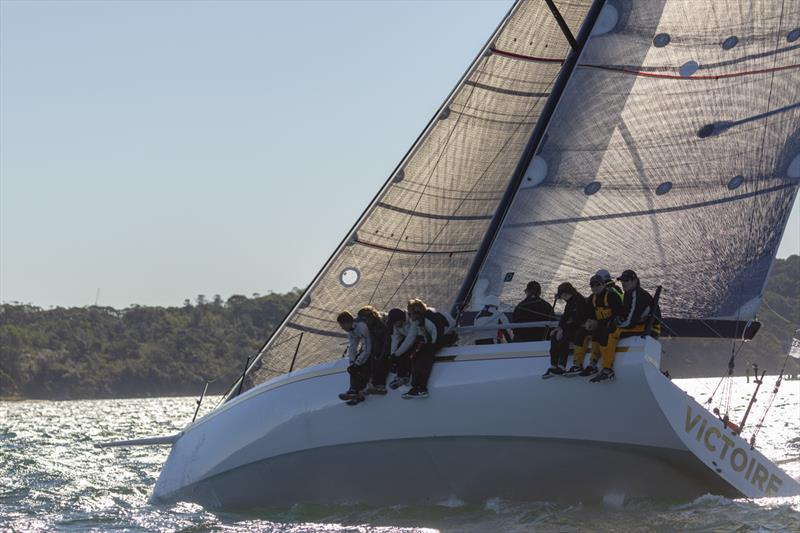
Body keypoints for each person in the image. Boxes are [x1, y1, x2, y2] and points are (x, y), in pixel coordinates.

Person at [402, 298, 454, 399]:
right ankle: (415, 386)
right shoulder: (419, 320)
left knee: (425, 358)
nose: (409, 316)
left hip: (445, 337)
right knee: (415, 356)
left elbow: (437, 337)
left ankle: (422, 388)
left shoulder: (430, 320)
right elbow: (423, 335)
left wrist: (428, 348)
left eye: (409, 313)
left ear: (416, 313)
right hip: (434, 338)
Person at [578, 273, 625, 382]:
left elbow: (619, 313)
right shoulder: (592, 299)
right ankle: (592, 364)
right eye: (592, 285)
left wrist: (600, 323)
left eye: (597, 285)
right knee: (593, 333)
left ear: (603, 285)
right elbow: (588, 313)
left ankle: (608, 368)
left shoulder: (612, 296)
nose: (594, 288)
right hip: (600, 325)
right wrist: (588, 322)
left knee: (603, 333)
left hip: (614, 325)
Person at [546, 282, 593, 378]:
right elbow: (565, 316)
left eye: (562, 295)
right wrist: (559, 327)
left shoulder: (579, 301)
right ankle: (553, 365)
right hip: (574, 326)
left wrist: (563, 329)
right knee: (554, 335)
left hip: (582, 327)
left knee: (564, 336)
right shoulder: (570, 302)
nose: (562, 298)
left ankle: (562, 365)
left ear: (566, 293)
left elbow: (579, 320)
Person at [336, 311, 372, 405]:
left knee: (361, 366)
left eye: (342, 325)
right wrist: (352, 362)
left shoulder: (361, 327)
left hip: (375, 343)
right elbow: (353, 346)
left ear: (348, 322)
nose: (342, 328)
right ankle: (354, 391)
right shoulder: (351, 330)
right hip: (367, 346)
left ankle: (358, 391)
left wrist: (358, 362)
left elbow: (368, 348)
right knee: (353, 368)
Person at [616, 270, 661, 338]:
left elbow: (630, 322)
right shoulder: (627, 294)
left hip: (650, 329)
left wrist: (616, 326)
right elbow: (625, 313)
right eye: (622, 280)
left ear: (635, 281)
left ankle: (608, 348)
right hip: (639, 325)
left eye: (626, 280)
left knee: (614, 332)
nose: (623, 283)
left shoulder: (639, 296)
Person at [358, 305, 389, 396]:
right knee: (362, 363)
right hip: (377, 349)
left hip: (386, 349)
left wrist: (379, 355)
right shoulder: (369, 328)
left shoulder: (382, 326)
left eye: (364, 321)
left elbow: (386, 342)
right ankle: (359, 388)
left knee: (377, 361)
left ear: (371, 317)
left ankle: (380, 385)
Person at [386, 308, 415, 390]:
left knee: (406, 352)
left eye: (395, 323)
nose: (394, 325)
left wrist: (397, 354)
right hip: (410, 338)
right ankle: (401, 376)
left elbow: (411, 338)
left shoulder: (412, 320)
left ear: (402, 319)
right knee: (399, 347)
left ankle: (406, 375)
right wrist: (392, 354)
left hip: (420, 338)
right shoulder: (396, 325)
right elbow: (395, 338)